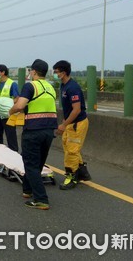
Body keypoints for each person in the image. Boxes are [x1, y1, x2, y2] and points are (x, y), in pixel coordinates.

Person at [9, 59, 57, 210]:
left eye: (31, 70)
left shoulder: (30, 86)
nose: (30, 73)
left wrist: (11, 111)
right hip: (49, 131)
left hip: (33, 131)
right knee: (38, 163)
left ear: (34, 72)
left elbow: (20, 105)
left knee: (30, 164)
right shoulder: (51, 87)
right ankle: (27, 190)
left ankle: (41, 199)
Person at [53, 60, 92, 190]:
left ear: (63, 73)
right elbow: (68, 108)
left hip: (78, 123)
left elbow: (76, 110)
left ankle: (72, 175)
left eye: (56, 72)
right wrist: (65, 122)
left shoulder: (72, 87)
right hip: (71, 122)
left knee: (72, 150)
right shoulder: (63, 86)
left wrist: (64, 125)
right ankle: (82, 171)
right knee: (67, 144)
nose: (55, 74)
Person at [0, 64, 20, 152]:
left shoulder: (12, 84)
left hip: (8, 113)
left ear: (3, 72)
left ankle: (14, 153)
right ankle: (0, 154)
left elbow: (17, 98)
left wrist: (7, 106)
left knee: (10, 134)